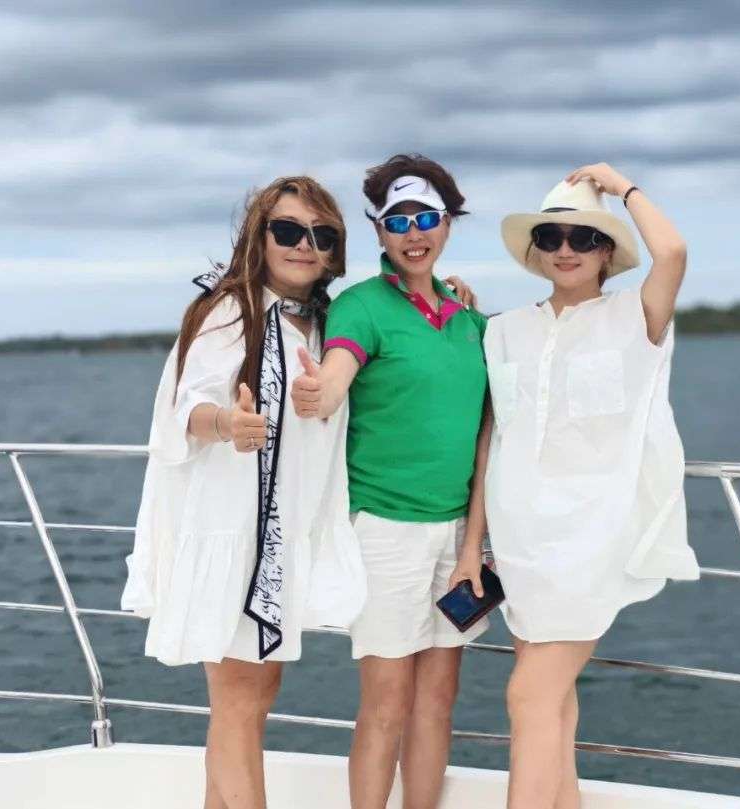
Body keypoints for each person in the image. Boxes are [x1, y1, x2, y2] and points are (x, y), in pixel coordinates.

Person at [451, 163, 700, 809]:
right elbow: (490, 439)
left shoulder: (635, 317)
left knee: (527, 695)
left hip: (593, 538)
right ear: (536, 249)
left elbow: (673, 252)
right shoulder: (502, 329)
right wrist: (472, 546)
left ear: (608, 251)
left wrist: (622, 187)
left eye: (585, 237)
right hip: (519, 541)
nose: (567, 249)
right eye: (552, 236)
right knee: (552, 703)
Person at [121, 176, 365, 809]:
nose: (305, 245)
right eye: (287, 230)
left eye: (322, 235)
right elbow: (187, 408)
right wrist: (228, 424)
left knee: (252, 697)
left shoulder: (323, 323)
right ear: (259, 237)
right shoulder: (231, 310)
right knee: (239, 700)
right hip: (233, 534)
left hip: (277, 536)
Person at [290, 154, 490, 809]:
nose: (413, 233)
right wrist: (319, 392)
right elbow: (336, 373)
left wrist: (473, 547)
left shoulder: (470, 322)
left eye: (426, 218)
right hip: (386, 534)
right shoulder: (361, 307)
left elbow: (487, 438)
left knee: (438, 701)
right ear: (379, 231)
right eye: (397, 221)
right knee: (386, 703)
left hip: (457, 538)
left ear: (448, 224)